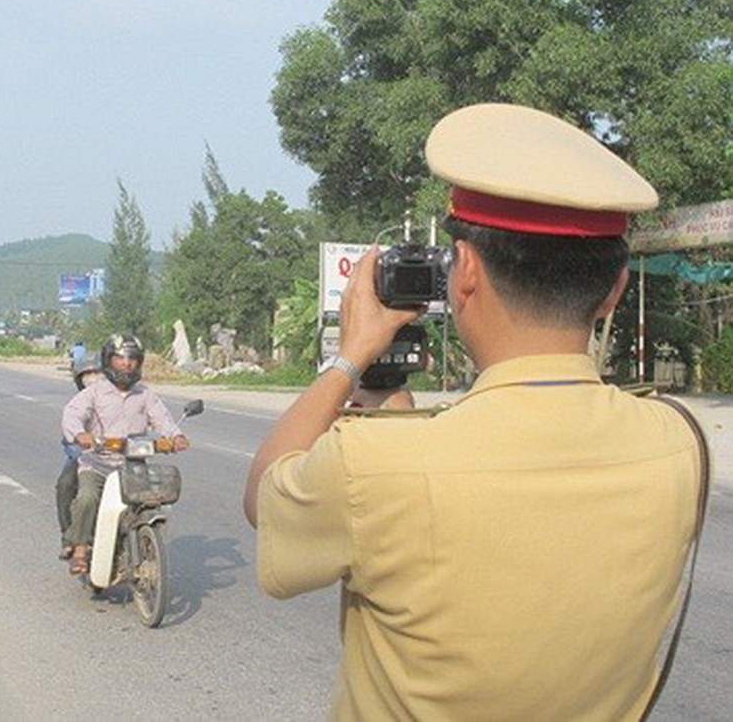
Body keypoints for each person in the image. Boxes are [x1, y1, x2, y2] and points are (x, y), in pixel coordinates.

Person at [244, 103, 707, 720]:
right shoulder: (680, 443)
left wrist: (352, 356)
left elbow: (264, 498)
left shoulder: (370, 468)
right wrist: (388, 398)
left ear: (463, 272)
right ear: (615, 287)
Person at [62, 333, 189, 575]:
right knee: (87, 497)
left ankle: (139, 539)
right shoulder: (95, 392)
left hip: (133, 464)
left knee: (147, 503)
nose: (126, 364)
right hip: (98, 463)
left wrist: (175, 436)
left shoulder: (145, 394)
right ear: (108, 361)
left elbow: (162, 419)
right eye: (120, 358)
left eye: (132, 359)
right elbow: (73, 413)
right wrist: (81, 435)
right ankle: (80, 549)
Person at [55, 353, 105, 561]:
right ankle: (69, 537)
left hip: (121, 459)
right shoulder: (77, 405)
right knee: (65, 484)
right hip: (85, 459)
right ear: (80, 379)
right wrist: (84, 445)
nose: (93, 377)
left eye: (97, 372)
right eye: (88, 374)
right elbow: (70, 437)